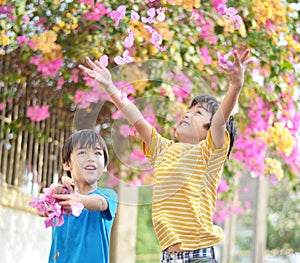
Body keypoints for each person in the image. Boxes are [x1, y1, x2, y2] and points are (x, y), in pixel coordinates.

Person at [79, 49, 253, 262]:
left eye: (198, 113)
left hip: (199, 255)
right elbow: (135, 116)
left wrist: (235, 86)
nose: (188, 114)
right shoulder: (162, 149)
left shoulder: (208, 153)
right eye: (188, 111)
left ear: (208, 129)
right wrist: (109, 85)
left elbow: (219, 122)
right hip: (168, 257)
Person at [49, 129, 118, 263]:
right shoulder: (60, 195)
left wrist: (77, 200)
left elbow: (100, 203)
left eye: (97, 153)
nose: (91, 158)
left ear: (104, 166)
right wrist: (46, 206)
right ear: (67, 164)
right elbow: (42, 208)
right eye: (82, 152)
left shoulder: (108, 196)